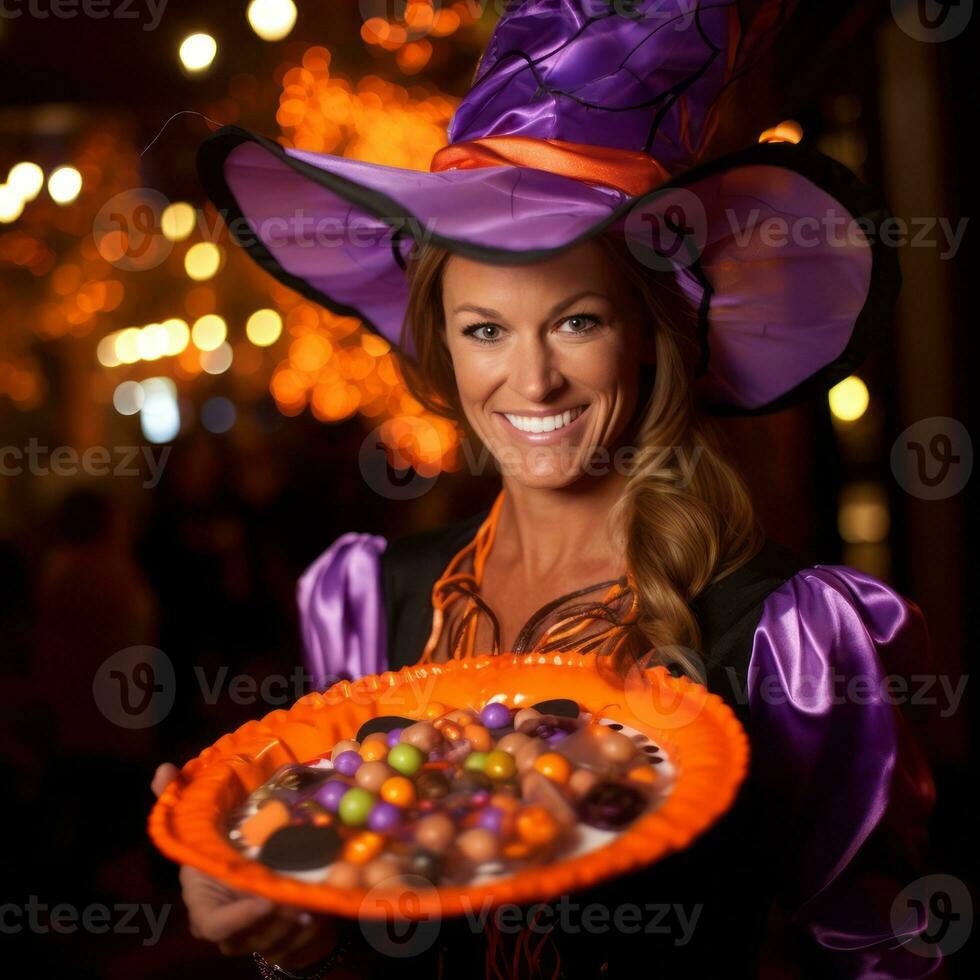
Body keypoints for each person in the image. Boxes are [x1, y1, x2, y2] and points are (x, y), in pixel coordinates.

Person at [155, 1, 946, 977]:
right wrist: (289, 925)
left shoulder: (786, 635)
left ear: (650, 333)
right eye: (485, 328)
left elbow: (881, 952)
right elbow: (362, 921)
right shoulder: (369, 598)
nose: (530, 383)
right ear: (440, 342)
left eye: (575, 322)